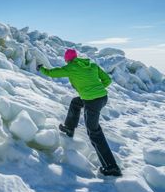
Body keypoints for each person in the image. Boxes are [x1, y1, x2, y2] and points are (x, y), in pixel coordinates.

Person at [37, 49, 122, 177]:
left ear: (67, 59)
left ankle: (112, 167)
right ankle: (69, 128)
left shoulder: (70, 67)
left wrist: (41, 68)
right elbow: (107, 80)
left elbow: (52, 73)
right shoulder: (91, 64)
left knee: (94, 132)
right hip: (102, 97)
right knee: (76, 102)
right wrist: (95, 89)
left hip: (92, 101)